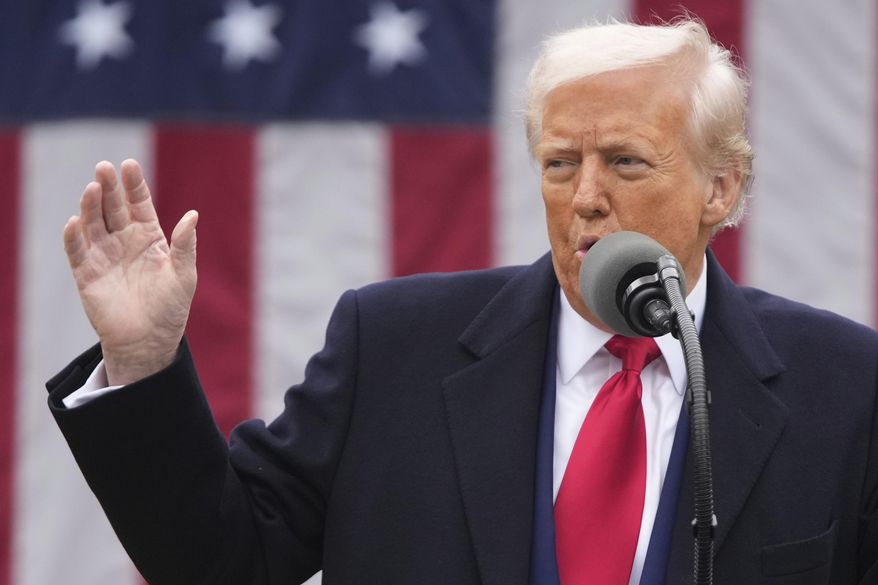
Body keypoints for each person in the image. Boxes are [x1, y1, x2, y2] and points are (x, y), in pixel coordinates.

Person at [48, 18, 878, 585]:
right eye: (560, 164)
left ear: (719, 187)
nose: (585, 197)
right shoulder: (392, 349)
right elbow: (222, 561)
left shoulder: (843, 386)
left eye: (626, 163)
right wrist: (143, 360)